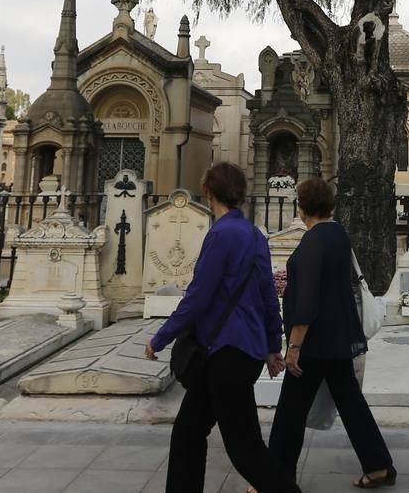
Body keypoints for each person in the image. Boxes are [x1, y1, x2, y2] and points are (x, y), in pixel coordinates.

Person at [144, 163, 300, 493]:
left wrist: (161, 336)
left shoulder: (220, 234)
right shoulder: (255, 235)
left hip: (223, 353)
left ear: (209, 193)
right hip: (241, 352)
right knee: (188, 431)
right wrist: (273, 346)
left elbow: (199, 296)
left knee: (245, 449)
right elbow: (268, 294)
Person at [269, 177, 395, 489]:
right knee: (352, 405)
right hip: (339, 337)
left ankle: (275, 480)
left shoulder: (313, 241)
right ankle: (379, 466)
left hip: (314, 343)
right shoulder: (338, 233)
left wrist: (294, 346)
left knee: (289, 413)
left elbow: (308, 297)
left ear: (302, 208)